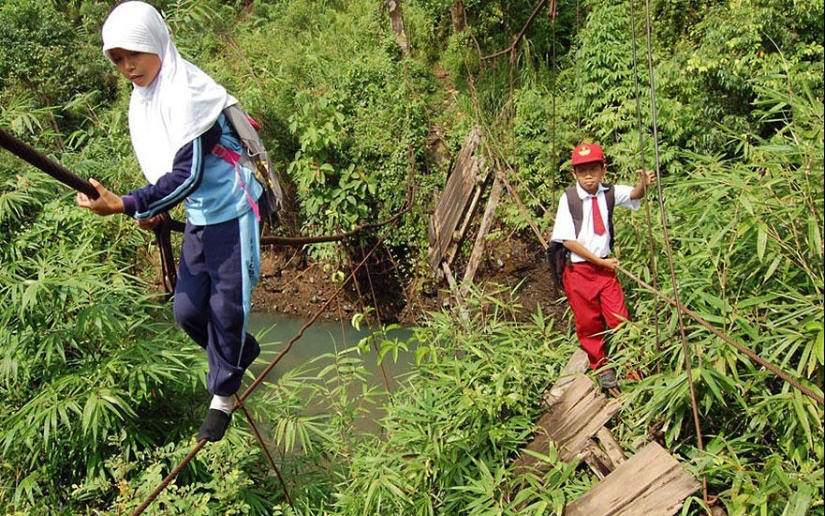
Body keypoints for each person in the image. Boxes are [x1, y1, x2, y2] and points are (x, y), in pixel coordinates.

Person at [76, 1, 264, 441]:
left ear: (156, 44)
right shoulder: (147, 96)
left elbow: (189, 172)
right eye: (117, 59)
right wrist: (151, 206)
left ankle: (223, 394)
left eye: (134, 54)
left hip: (232, 209)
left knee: (226, 307)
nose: (127, 67)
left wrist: (127, 203)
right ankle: (237, 354)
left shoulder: (187, 92)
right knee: (186, 311)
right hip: (200, 211)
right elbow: (168, 167)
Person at [549, 142, 655, 392]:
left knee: (620, 319)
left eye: (594, 169)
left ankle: (632, 370)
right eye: (582, 170)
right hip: (579, 272)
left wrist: (644, 184)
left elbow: (633, 195)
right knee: (589, 324)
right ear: (574, 173)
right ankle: (602, 368)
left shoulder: (607, 192)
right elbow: (568, 241)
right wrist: (600, 262)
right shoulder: (570, 199)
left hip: (606, 271)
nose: (588, 175)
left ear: (602, 169)